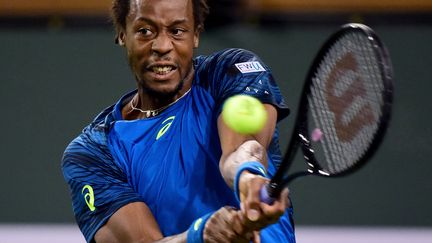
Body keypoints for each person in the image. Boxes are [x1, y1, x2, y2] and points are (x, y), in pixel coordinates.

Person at [61, 0, 295, 242]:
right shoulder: (93, 152)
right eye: (145, 31)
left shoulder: (232, 72)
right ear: (122, 35)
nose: (162, 46)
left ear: (195, 35)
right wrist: (199, 236)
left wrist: (248, 176)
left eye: (177, 31)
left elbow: (243, 148)